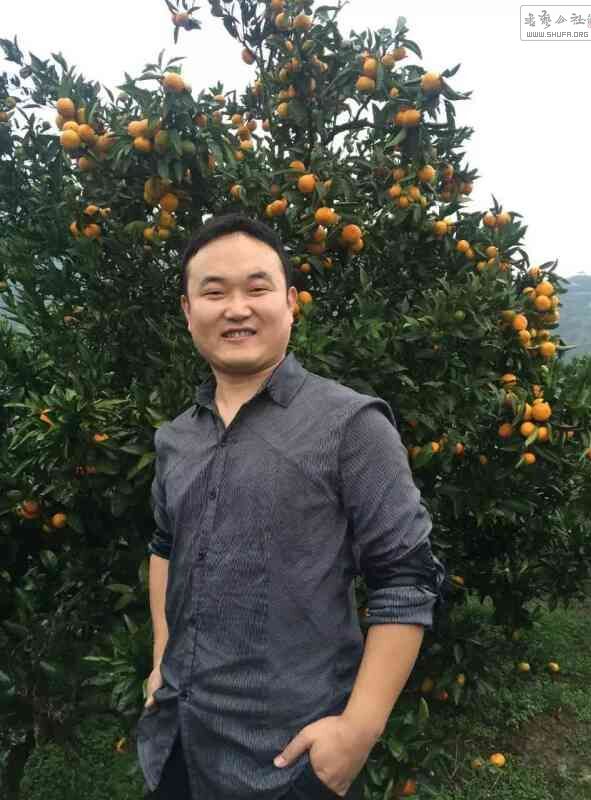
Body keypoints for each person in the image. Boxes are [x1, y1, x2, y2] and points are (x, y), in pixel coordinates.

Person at [136, 212, 446, 800]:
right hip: (177, 739)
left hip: (287, 761)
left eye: (257, 288)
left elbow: (406, 579)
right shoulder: (177, 437)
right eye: (214, 292)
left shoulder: (351, 425)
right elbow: (165, 546)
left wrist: (358, 731)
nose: (237, 308)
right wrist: (160, 660)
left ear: (291, 302)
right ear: (188, 311)